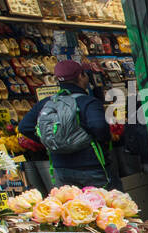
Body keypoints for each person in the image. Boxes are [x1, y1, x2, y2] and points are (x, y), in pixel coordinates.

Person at [17, 60, 122, 190]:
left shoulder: (46, 102)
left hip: (60, 168)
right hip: (91, 165)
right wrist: (102, 140)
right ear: (81, 76)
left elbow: (24, 127)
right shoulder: (88, 102)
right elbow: (99, 127)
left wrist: (51, 141)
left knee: (73, 207)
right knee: (107, 206)